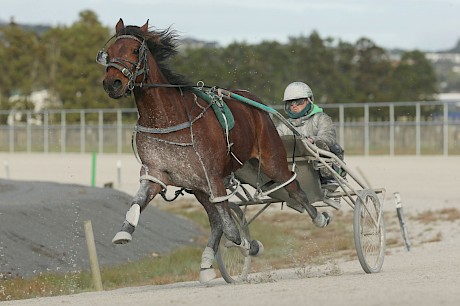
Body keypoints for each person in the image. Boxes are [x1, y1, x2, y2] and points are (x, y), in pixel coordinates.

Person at [276, 81, 345, 190]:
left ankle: (328, 177)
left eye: (298, 101)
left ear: (309, 100)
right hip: (296, 167)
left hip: (321, 162)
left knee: (321, 144)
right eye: (290, 102)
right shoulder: (284, 125)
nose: (294, 105)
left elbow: (329, 138)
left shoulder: (321, 118)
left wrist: (312, 140)